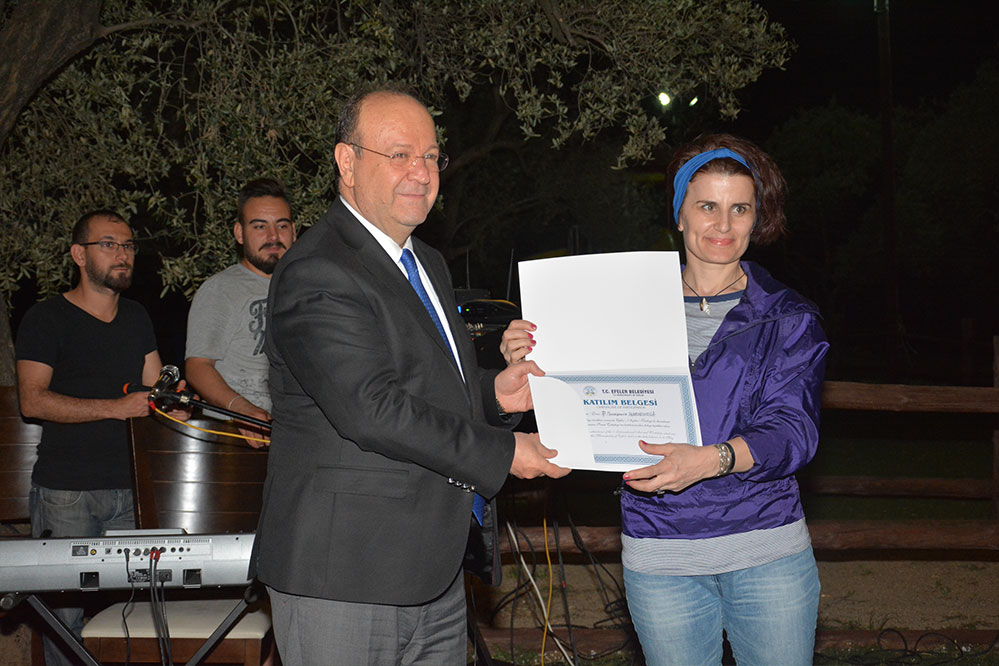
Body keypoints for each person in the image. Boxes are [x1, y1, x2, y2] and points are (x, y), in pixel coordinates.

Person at [250, 86, 569, 665]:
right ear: (347, 163)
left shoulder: (426, 263)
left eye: (430, 156)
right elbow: (372, 409)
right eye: (399, 155)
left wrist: (493, 395)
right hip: (344, 575)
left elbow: (428, 386)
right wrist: (504, 453)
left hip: (432, 571)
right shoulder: (318, 268)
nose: (421, 172)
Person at [501, 134, 829, 665]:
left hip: (765, 553)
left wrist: (712, 460)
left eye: (740, 208)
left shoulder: (788, 316)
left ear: (756, 218)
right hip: (659, 557)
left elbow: (793, 432)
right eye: (707, 206)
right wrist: (533, 356)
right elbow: (580, 400)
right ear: (680, 215)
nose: (723, 225)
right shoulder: (620, 305)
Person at [15, 209, 189, 666]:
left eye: (128, 245)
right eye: (109, 244)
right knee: (63, 622)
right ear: (79, 254)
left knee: (137, 621)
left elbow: (153, 389)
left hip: (133, 491)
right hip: (67, 493)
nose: (122, 254)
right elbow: (32, 400)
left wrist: (172, 401)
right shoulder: (46, 318)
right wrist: (116, 407)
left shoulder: (136, 317)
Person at [185, 177, 296, 445]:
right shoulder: (221, 289)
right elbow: (198, 367)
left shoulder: (309, 289)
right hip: (234, 437)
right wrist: (242, 411)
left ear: (294, 232)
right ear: (239, 233)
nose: (273, 236)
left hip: (293, 437)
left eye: (282, 225)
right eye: (259, 226)